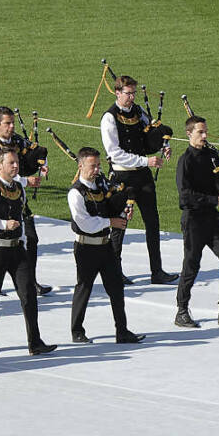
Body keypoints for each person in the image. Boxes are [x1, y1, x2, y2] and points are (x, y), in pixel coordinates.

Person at [0, 148, 55, 357]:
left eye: (17, 162)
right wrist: (2, 224)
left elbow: (21, 217)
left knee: (28, 295)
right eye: (11, 163)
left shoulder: (19, 188)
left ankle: (35, 342)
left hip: (17, 249)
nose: (16, 166)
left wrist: (23, 241)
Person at [99, 75, 178, 285]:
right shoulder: (109, 118)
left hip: (143, 175)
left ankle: (157, 270)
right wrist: (146, 160)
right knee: (120, 224)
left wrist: (163, 144)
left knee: (153, 222)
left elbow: (149, 134)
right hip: (123, 175)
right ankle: (115, 271)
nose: (132, 97)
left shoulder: (139, 112)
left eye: (133, 93)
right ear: (117, 92)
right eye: (128, 93)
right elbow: (114, 153)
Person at [65, 147, 146, 344]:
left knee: (116, 288)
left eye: (98, 166)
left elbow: (111, 205)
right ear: (81, 165)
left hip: (106, 246)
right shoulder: (76, 193)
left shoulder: (101, 185)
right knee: (84, 288)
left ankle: (122, 330)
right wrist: (111, 222)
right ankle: (77, 331)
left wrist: (122, 210)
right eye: (92, 166)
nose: (96, 170)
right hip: (86, 247)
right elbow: (84, 223)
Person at [174, 116, 219, 329]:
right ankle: (182, 310)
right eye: (200, 133)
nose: (205, 136)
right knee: (191, 264)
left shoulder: (212, 155)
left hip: (212, 219)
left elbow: (216, 184)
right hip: (193, 220)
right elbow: (184, 196)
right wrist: (215, 199)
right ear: (189, 134)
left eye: (206, 132)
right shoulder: (185, 161)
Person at [0, 107, 52, 296]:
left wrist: (41, 164)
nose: (11, 127)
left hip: (18, 199)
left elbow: (30, 156)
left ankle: (30, 282)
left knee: (31, 239)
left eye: (12, 123)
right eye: (7, 123)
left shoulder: (18, 141)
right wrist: (26, 181)